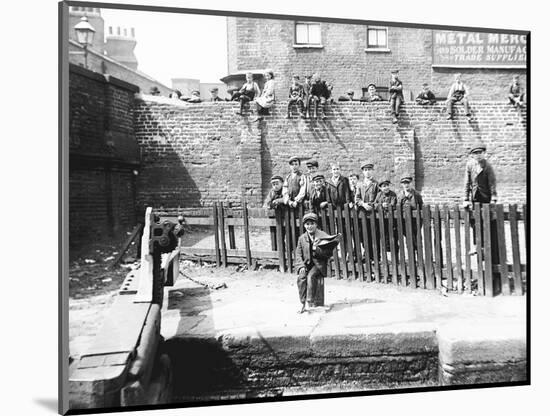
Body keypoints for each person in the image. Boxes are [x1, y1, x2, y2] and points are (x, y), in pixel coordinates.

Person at [295, 213, 340, 313]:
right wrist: (301, 266)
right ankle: (302, 303)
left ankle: (309, 301)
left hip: (318, 265)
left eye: (312, 224)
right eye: (307, 224)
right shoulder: (302, 238)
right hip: (307, 264)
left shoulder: (322, 236)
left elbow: (328, 254)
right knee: (301, 277)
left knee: (311, 276)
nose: (309, 226)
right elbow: (298, 254)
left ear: (316, 225)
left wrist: (316, 249)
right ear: (304, 226)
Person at [462, 143, 499, 264]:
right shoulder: (470, 165)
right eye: (475, 153)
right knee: (474, 221)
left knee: (486, 221)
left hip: (485, 198)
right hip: (474, 198)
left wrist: (493, 197)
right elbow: (467, 183)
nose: (478, 155)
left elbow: (492, 183)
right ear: (472, 155)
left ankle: (486, 247)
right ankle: (476, 245)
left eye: (480, 153)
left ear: (483, 153)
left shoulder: (487, 166)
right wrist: (466, 198)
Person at [374, 179, 398, 253]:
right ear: (381, 188)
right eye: (384, 186)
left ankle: (395, 256)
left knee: (392, 237)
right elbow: (375, 204)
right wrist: (381, 205)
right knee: (383, 237)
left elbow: (393, 204)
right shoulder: (379, 195)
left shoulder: (393, 194)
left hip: (391, 219)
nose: (386, 188)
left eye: (387, 186)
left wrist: (387, 205)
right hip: (381, 220)